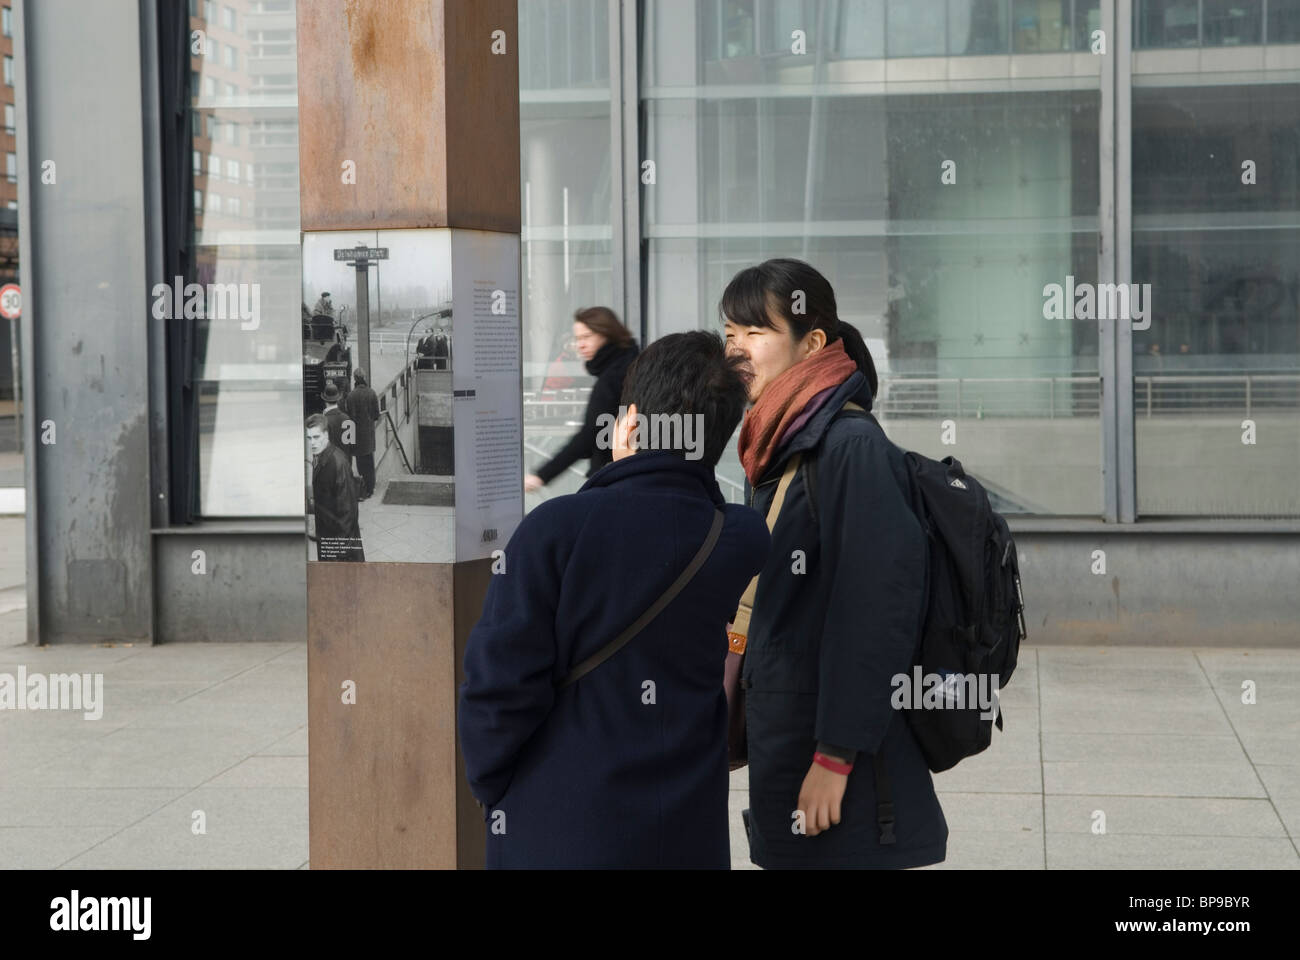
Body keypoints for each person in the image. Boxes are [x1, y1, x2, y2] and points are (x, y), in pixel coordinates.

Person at [459, 331, 771, 868]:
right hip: (684, 825)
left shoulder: (554, 530)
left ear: (627, 422)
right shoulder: (740, 537)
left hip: (559, 820)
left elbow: (499, 684)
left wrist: (492, 784)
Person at [720, 257, 945, 870]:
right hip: (789, 741)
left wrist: (835, 756)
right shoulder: (781, 441)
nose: (737, 351)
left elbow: (878, 607)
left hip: (841, 770)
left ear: (812, 342)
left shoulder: (849, 448)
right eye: (729, 335)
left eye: (756, 334)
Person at [525, 307, 639, 492]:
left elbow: (589, 434)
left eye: (587, 337)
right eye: (577, 339)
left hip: (612, 478)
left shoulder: (613, 377)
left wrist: (542, 475)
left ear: (608, 334)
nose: (581, 345)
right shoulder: (633, 363)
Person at [306, 413, 364, 562]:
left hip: (340, 550)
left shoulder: (338, 463)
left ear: (326, 434)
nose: (312, 443)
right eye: (309, 438)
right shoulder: (319, 456)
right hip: (327, 539)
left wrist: (337, 553)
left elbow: (348, 514)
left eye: (316, 437)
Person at [343, 368, 381, 500]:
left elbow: (349, 418)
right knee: (369, 463)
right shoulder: (372, 393)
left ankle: (362, 489)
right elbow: (377, 415)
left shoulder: (351, 396)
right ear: (364, 377)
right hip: (368, 435)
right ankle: (370, 489)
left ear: (354, 378)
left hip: (356, 435)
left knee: (360, 463)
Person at [321, 381, 356, 468]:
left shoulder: (323, 421)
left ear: (325, 401)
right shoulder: (347, 419)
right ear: (338, 399)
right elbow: (352, 446)